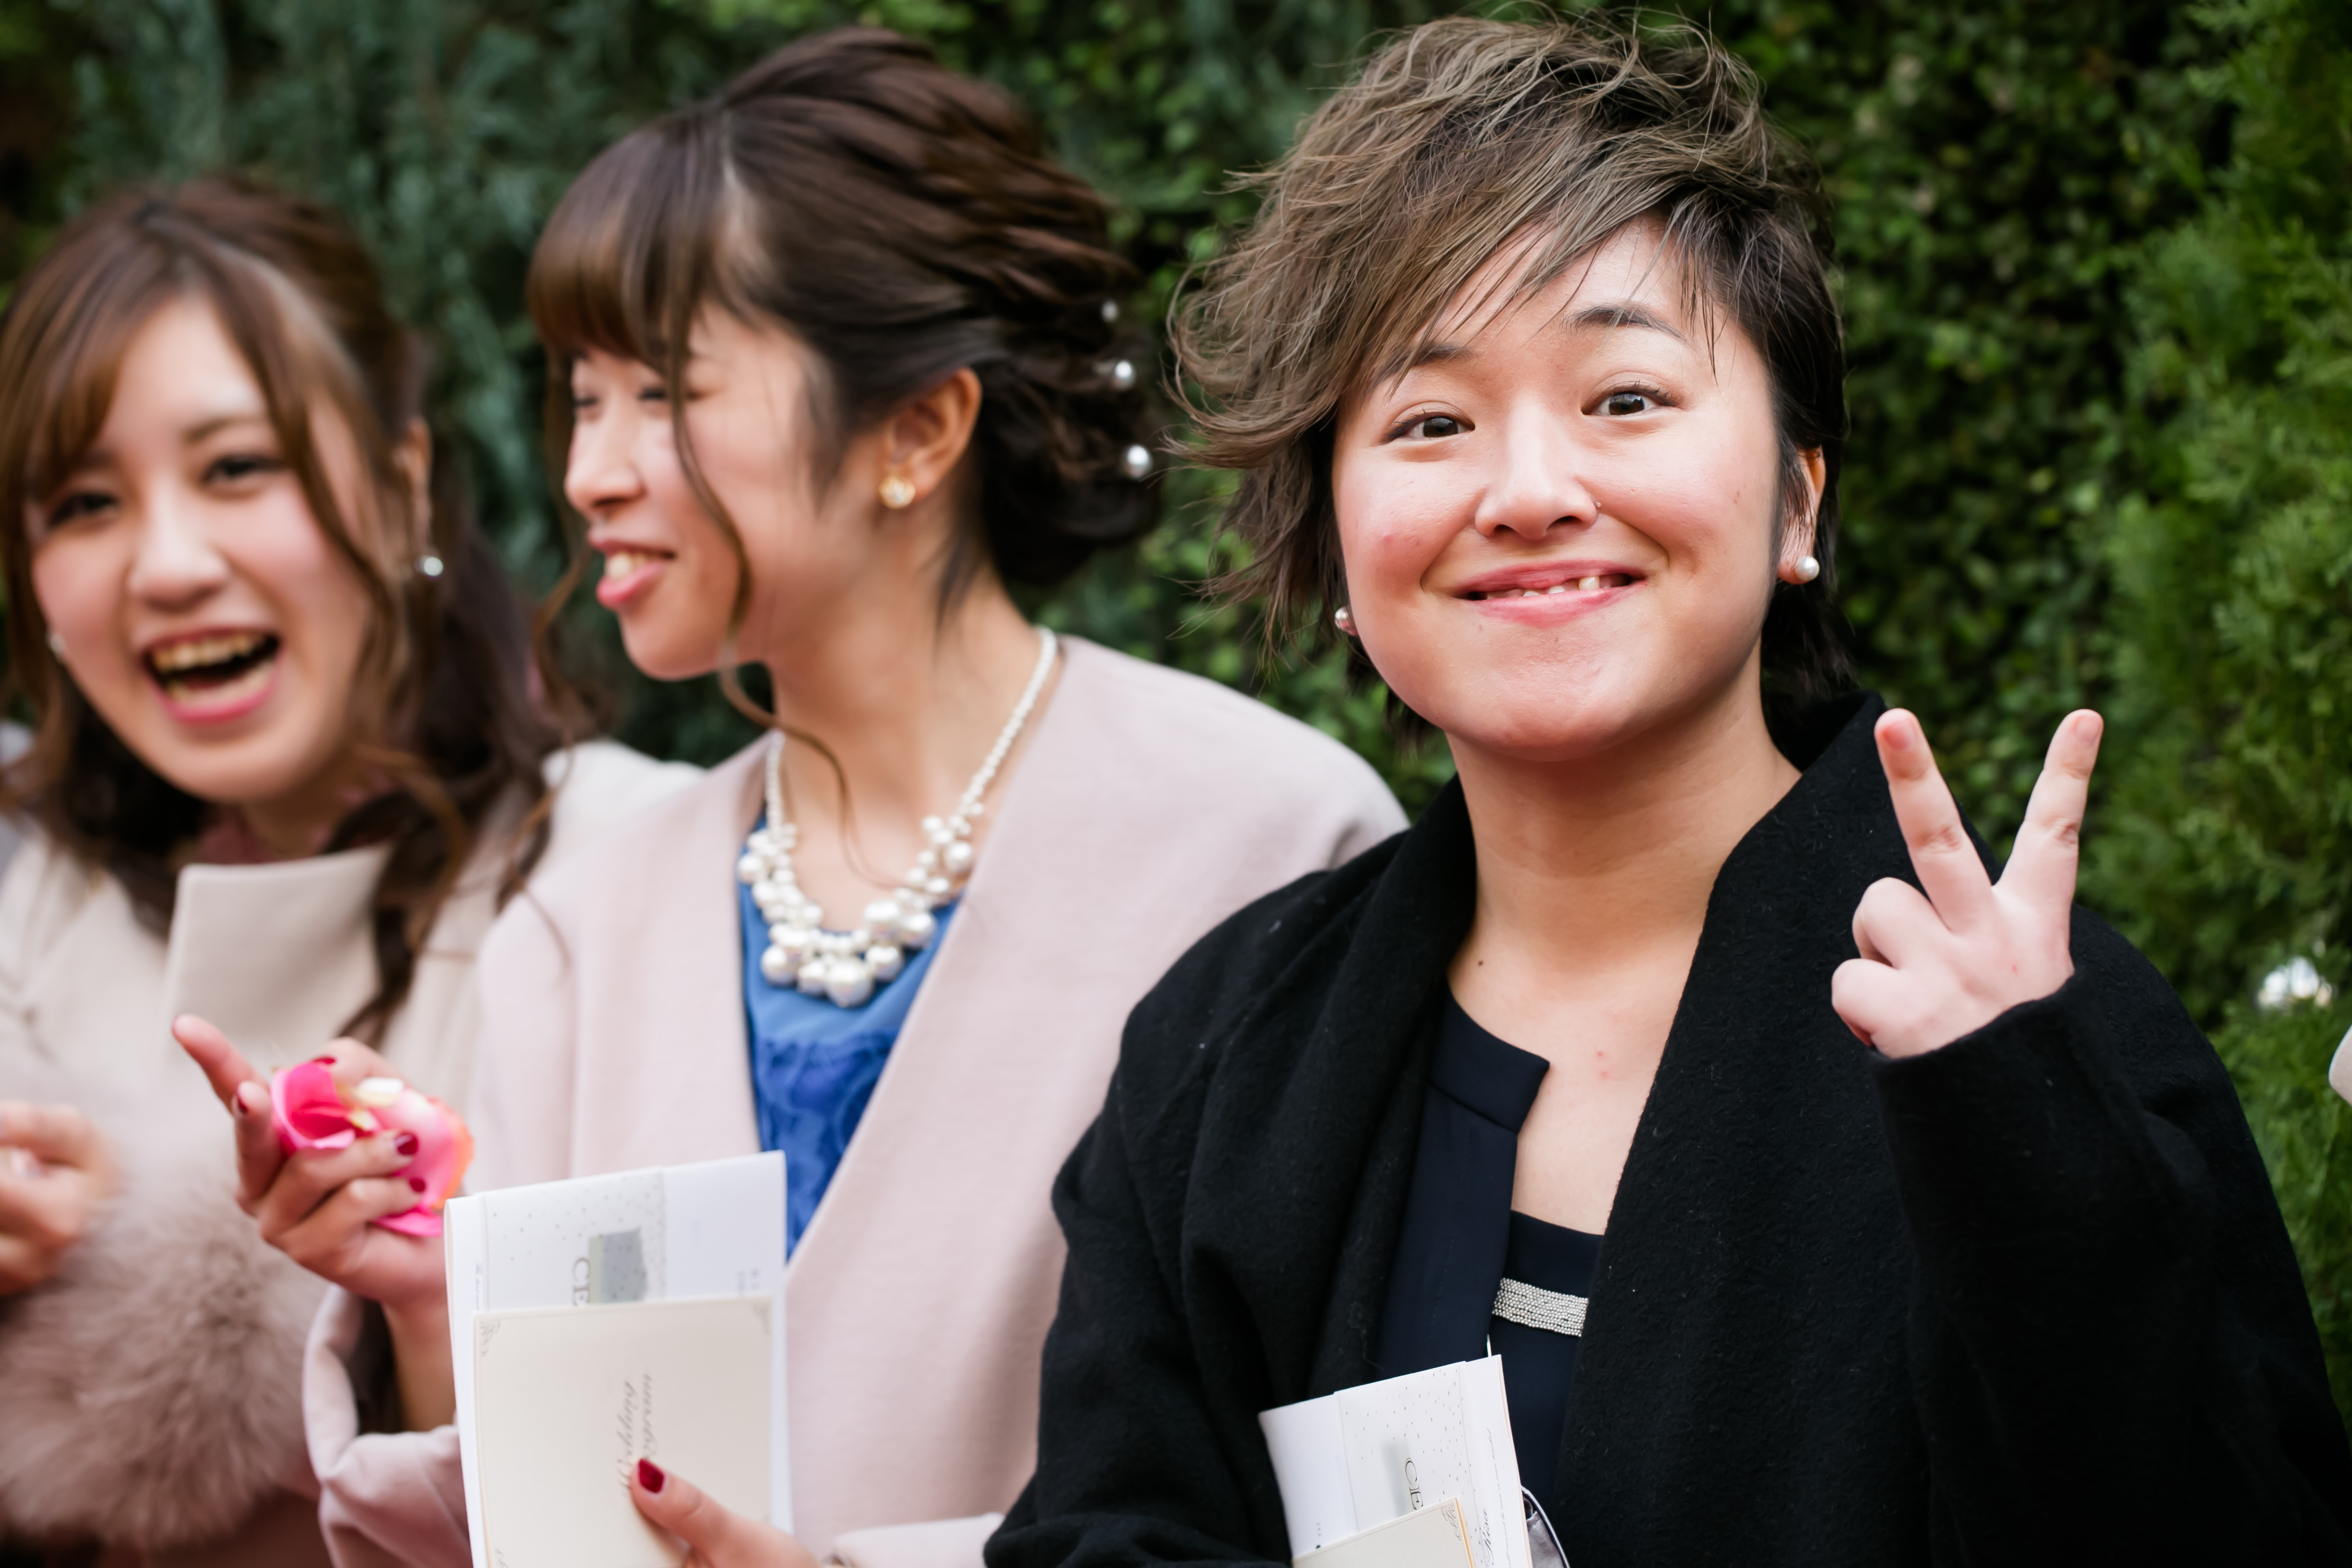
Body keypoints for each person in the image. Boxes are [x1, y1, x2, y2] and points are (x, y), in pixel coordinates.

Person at [983, 17, 2352, 1568]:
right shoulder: (1229, 1051)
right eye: (1430, 423)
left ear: (1797, 501)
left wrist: (2026, 1140)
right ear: (1336, 552)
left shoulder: (2034, 1031)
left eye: (1625, 397)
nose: (1528, 491)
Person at [179, 29, 1405, 1568]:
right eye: (583, 398)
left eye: (664, 393)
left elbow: (1341, 1476)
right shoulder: (588, 920)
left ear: (919, 430)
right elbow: (549, 1515)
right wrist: (426, 1297)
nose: (591, 471)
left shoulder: (1272, 847)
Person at [0, 181, 694, 1566]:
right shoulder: (28, 887)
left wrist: (141, 1249)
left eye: (237, 468)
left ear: (400, 485)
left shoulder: (632, 871)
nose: (167, 566)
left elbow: (658, 1469)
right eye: (85, 503)